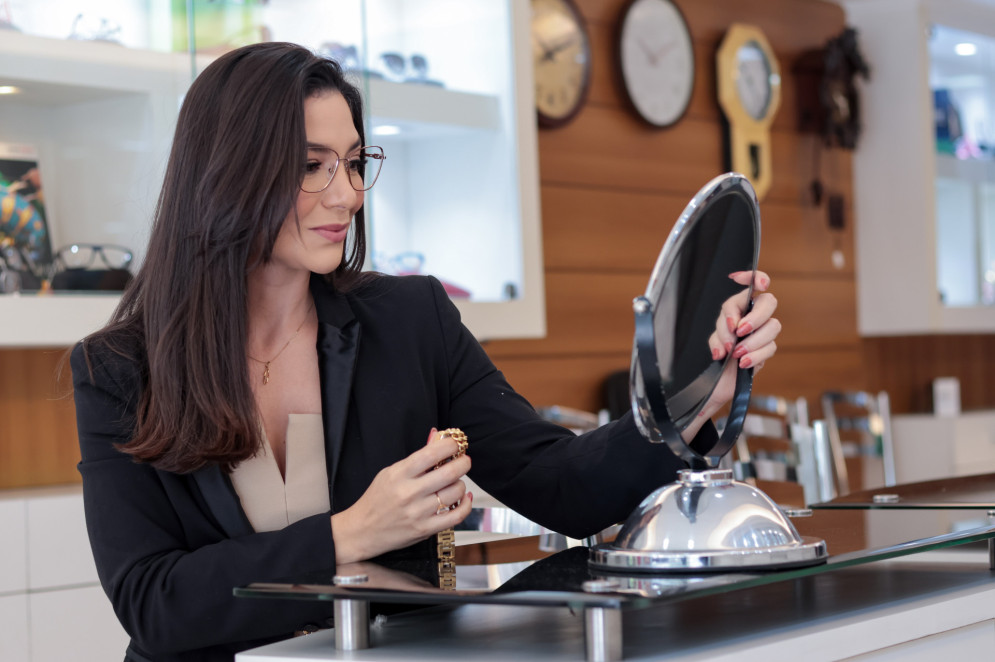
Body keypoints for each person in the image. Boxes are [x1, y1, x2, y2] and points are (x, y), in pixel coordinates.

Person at [70, 42, 781, 661]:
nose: (346, 193)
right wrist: (352, 533)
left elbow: (562, 485)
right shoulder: (118, 371)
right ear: (226, 172)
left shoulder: (410, 323)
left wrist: (692, 396)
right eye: (312, 165)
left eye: (353, 162)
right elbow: (153, 604)